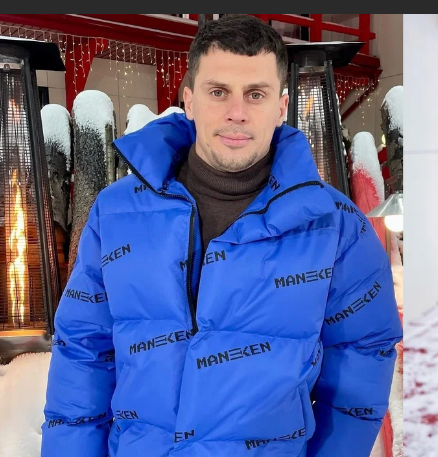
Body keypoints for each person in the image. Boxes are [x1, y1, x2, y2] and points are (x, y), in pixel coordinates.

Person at [42, 15, 402, 457]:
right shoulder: (117, 212)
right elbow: (83, 353)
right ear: (189, 100)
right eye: (218, 92)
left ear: (281, 107)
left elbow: (358, 372)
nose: (237, 112)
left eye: (256, 94)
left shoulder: (336, 227)